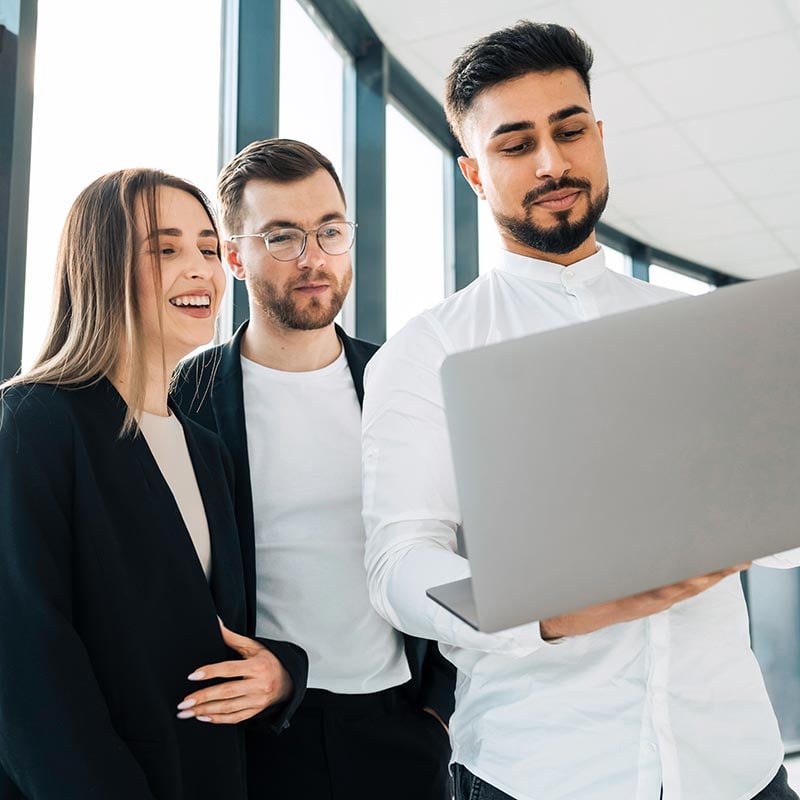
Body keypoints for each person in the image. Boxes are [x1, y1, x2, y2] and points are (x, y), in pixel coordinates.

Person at [361, 20, 800, 800]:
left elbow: (783, 539)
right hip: (545, 771)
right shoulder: (427, 353)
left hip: (735, 766)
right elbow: (399, 567)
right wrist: (554, 613)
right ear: (473, 173)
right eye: (515, 143)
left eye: (570, 132)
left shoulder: (700, 330)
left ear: (599, 136)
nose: (552, 162)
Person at [0, 168, 307, 800]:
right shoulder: (33, 424)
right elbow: (24, 670)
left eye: (205, 248)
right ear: (100, 267)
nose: (199, 269)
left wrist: (283, 676)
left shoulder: (206, 450)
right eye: (164, 249)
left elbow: (207, 629)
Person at [173, 138, 455, 799]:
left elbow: (459, 536)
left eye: (329, 231)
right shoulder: (185, 398)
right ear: (236, 256)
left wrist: (441, 708)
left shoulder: (402, 383)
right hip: (263, 735)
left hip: (401, 726)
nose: (313, 259)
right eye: (283, 237)